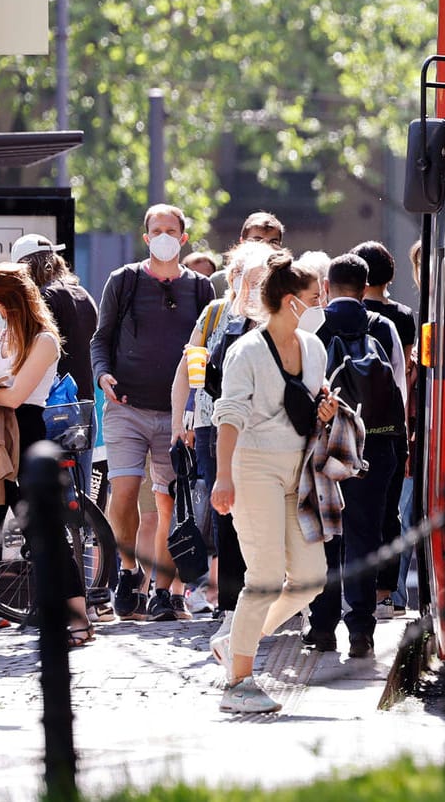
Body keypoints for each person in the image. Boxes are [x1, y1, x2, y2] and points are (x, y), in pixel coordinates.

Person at [209, 250, 338, 714]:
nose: (321, 303)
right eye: (313, 296)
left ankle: (236, 640)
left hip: (298, 468)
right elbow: (228, 416)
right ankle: (238, 684)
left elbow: (305, 408)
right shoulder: (246, 351)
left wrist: (323, 412)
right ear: (289, 301)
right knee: (263, 576)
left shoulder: (315, 348)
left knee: (309, 579)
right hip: (253, 466)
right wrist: (223, 478)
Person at [89, 204, 215, 622]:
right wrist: (104, 375)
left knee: (169, 505)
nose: (163, 236)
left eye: (170, 230)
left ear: (183, 238)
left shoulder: (201, 289)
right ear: (146, 238)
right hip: (126, 407)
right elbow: (100, 339)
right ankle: (127, 571)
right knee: (123, 490)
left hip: (176, 415)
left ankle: (163, 592)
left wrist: (195, 410)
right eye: (155, 230)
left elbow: (205, 353)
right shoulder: (123, 281)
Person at [0, 264, 91, 649]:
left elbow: (15, 397)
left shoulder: (43, 340)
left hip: (26, 436)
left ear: (13, 301)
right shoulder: (3, 336)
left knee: (47, 530)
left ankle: (79, 619)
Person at [304, 253, 406, 657]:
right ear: (366, 289)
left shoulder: (313, 326)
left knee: (324, 536)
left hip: (322, 445)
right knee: (364, 536)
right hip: (374, 446)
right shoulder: (383, 327)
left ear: (326, 287)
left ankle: (322, 626)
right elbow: (397, 383)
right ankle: (361, 630)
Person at [171, 241, 273, 619]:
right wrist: (179, 420)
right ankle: (230, 604)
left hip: (264, 428)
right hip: (214, 425)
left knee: (264, 512)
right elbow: (189, 368)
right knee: (224, 512)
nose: (253, 289)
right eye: (248, 280)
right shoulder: (217, 314)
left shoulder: (277, 320)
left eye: (262, 281)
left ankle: (268, 598)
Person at [12, 234, 104, 615]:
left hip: (48, 409)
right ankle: (89, 595)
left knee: (43, 502)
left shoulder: (43, 299)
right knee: (79, 510)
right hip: (82, 411)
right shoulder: (83, 295)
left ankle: (59, 596)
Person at [351, 240, 416, 617]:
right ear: (390, 273)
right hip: (389, 424)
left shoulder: (339, 315)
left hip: (348, 426)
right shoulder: (401, 317)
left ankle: (353, 589)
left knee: (355, 513)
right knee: (390, 510)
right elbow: (404, 372)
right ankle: (387, 593)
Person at [209, 212, 285, 296]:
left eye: (273, 242)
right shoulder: (219, 282)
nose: (266, 246)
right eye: (257, 240)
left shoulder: (290, 280)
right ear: (243, 242)